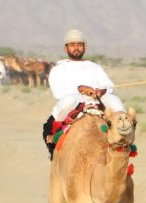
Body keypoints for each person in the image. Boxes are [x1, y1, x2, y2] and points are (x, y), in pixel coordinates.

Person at [42, 28, 125, 159]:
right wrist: (80, 89)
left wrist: (102, 90)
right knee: (67, 102)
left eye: (79, 45)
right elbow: (59, 93)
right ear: (66, 48)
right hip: (74, 101)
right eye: (72, 45)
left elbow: (108, 85)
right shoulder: (58, 69)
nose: (76, 48)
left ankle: (123, 140)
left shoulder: (95, 67)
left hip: (97, 101)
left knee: (115, 101)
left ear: (84, 47)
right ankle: (56, 136)